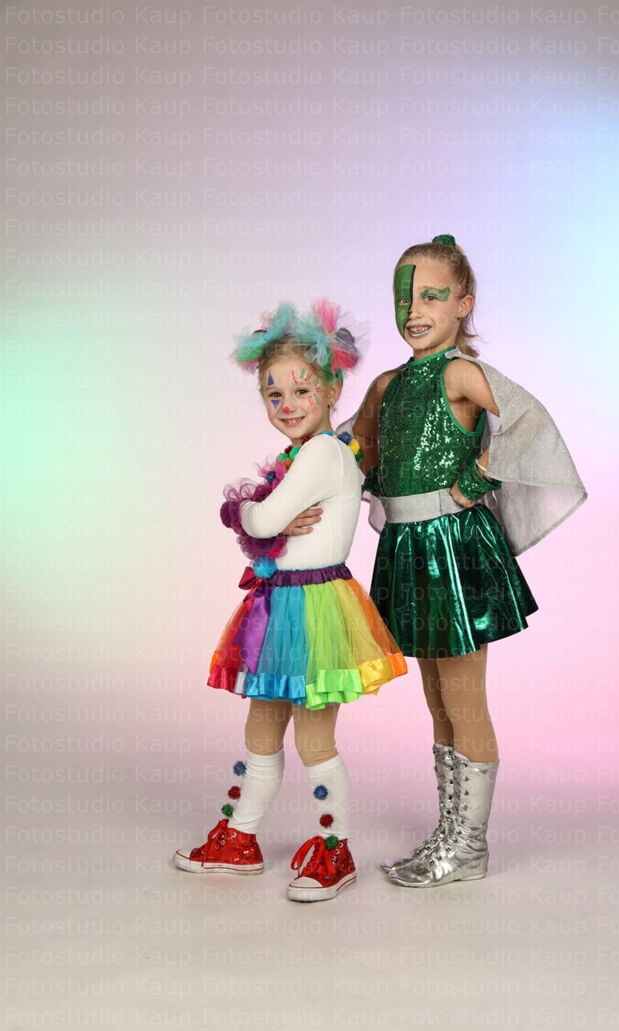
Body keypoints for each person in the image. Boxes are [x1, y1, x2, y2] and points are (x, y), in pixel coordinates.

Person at [331, 234, 587, 888]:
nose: (414, 311)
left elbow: (530, 420)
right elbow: (354, 451)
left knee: (464, 698)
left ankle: (469, 848)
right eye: (404, 299)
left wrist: (477, 476)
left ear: (463, 303)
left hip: (454, 550)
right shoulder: (387, 385)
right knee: (436, 700)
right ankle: (449, 833)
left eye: (431, 296)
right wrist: (313, 463)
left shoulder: (460, 374)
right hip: (407, 551)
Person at [173, 300, 407, 902]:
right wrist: (261, 520)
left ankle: (335, 849)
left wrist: (251, 513)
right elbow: (266, 525)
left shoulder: (324, 453)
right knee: (261, 729)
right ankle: (240, 836)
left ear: (332, 389)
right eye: (274, 394)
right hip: (280, 607)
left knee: (313, 740)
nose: (288, 404)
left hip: (312, 612)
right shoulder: (298, 456)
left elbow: (263, 519)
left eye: (302, 390)